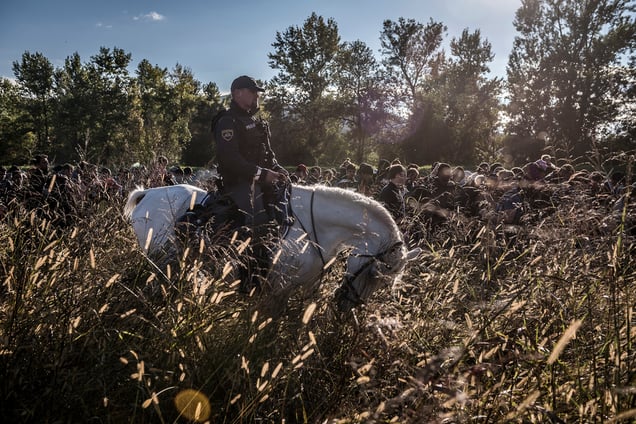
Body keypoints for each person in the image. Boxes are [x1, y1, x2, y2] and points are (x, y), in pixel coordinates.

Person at [212, 75, 288, 289]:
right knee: (257, 224)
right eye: (252, 91)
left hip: (261, 182)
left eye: (257, 92)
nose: (256, 95)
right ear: (237, 93)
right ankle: (251, 283)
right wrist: (262, 174)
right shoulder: (228, 121)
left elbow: (268, 155)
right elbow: (230, 159)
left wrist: (278, 170)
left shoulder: (256, 122)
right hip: (239, 185)